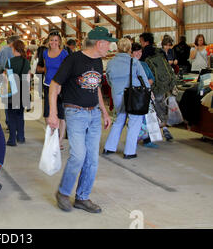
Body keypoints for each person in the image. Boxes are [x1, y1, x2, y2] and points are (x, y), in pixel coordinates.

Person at [49, 26, 113, 214]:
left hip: (93, 115)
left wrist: (104, 111)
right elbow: (54, 85)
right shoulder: (73, 60)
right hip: (75, 113)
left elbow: (97, 88)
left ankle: (82, 197)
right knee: (78, 156)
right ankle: (63, 192)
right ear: (99, 43)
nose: (109, 47)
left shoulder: (99, 61)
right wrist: (53, 113)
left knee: (92, 159)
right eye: (108, 44)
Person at [103, 38, 150, 159]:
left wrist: (116, 88)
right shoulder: (134, 62)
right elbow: (144, 80)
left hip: (117, 94)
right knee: (135, 121)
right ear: (130, 49)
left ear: (118, 48)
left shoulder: (111, 62)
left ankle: (109, 147)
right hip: (133, 95)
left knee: (119, 119)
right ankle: (129, 151)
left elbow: (108, 79)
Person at [140, 32, 177, 142]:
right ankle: (165, 129)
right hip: (162, 84)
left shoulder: (143, 53)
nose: (140, 43)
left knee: (150, 109)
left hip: (151, 84)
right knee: (160, 106)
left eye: (141, 41)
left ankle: (150, 134)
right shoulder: (159, 51)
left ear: (145, 41)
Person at [36, 30, 68, 150]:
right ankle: (50, 136)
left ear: (59, 41)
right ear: (48, 42)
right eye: (51, 40)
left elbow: (67, 70)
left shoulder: (63, 53)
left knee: (60, 113)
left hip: (60, 86)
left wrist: (61, 84)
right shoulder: (45, 53)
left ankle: (59, 140)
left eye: (56, 40)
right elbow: (44, 68)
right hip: (48, 84)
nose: (53, 42)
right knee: (48, 112)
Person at [131, 43, 159, 149]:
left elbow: (152, 77)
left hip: (146, 93)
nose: (138, 53)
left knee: (149, 117)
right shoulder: (130, 64)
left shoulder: (144, 64)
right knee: (137, 118)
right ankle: (134, 139)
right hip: (136, 94)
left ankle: (147, 139)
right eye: (136, 51)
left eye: (140, 51)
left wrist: (145, 84)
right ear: (131, 52)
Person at [4, 40, 31, 146]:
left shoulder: (9, 62)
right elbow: (28, 79)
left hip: (12, 92)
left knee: (11, 116)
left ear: (14, 49)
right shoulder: (26, 62)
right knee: (20, 115)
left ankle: (12, 139)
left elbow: (6, 79)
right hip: (23, 91)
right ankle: (21, 137)